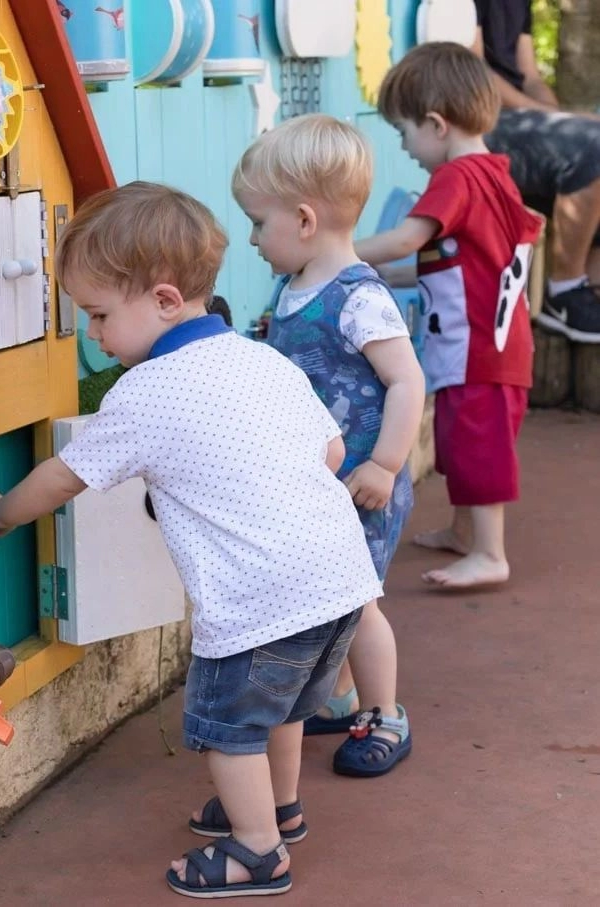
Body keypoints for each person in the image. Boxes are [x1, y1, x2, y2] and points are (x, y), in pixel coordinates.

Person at [0, 181, 383, 898]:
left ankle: (257, 850)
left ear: (165, 300)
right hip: (341, 580)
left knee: (229, 727)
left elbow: (64, 476)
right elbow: (327, 452)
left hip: (259, 598)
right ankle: (278, 810)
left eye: (100, 315)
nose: (94, 335)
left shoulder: (146, 392)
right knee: (283, 708)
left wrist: (3, 511)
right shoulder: (263, 359)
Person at [230, 114, 425, 778]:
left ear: (305, 221)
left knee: (354, 599)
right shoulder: (293, 289)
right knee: (324, 591)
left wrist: (386, 462)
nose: (251, 238)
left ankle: (384, 713)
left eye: (259, 222)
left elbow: (406, 379)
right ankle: (337, 697)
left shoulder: (357, 296)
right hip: (319, 481)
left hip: (363, 479)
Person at [354, 42, 543, 591]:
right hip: (492, 342)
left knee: (479, 446)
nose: (405, 145)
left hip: (478, 348)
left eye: (404, 130)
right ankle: (466, 533)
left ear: (436, 124)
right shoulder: (493, 174)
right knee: (462, 441)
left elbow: (408, 239)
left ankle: (490, 552)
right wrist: (393, 276)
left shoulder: (456, 179)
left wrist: (340, 251)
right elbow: (459, 262)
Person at [473, 0, 600, 342]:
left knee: (587, 138)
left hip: (520, 118)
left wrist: (558, 120)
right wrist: (552, 119)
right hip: (482, 120)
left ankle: (590, 288)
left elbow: (528, 74)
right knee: (593, 146)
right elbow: (475, 73)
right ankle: (564, 291)